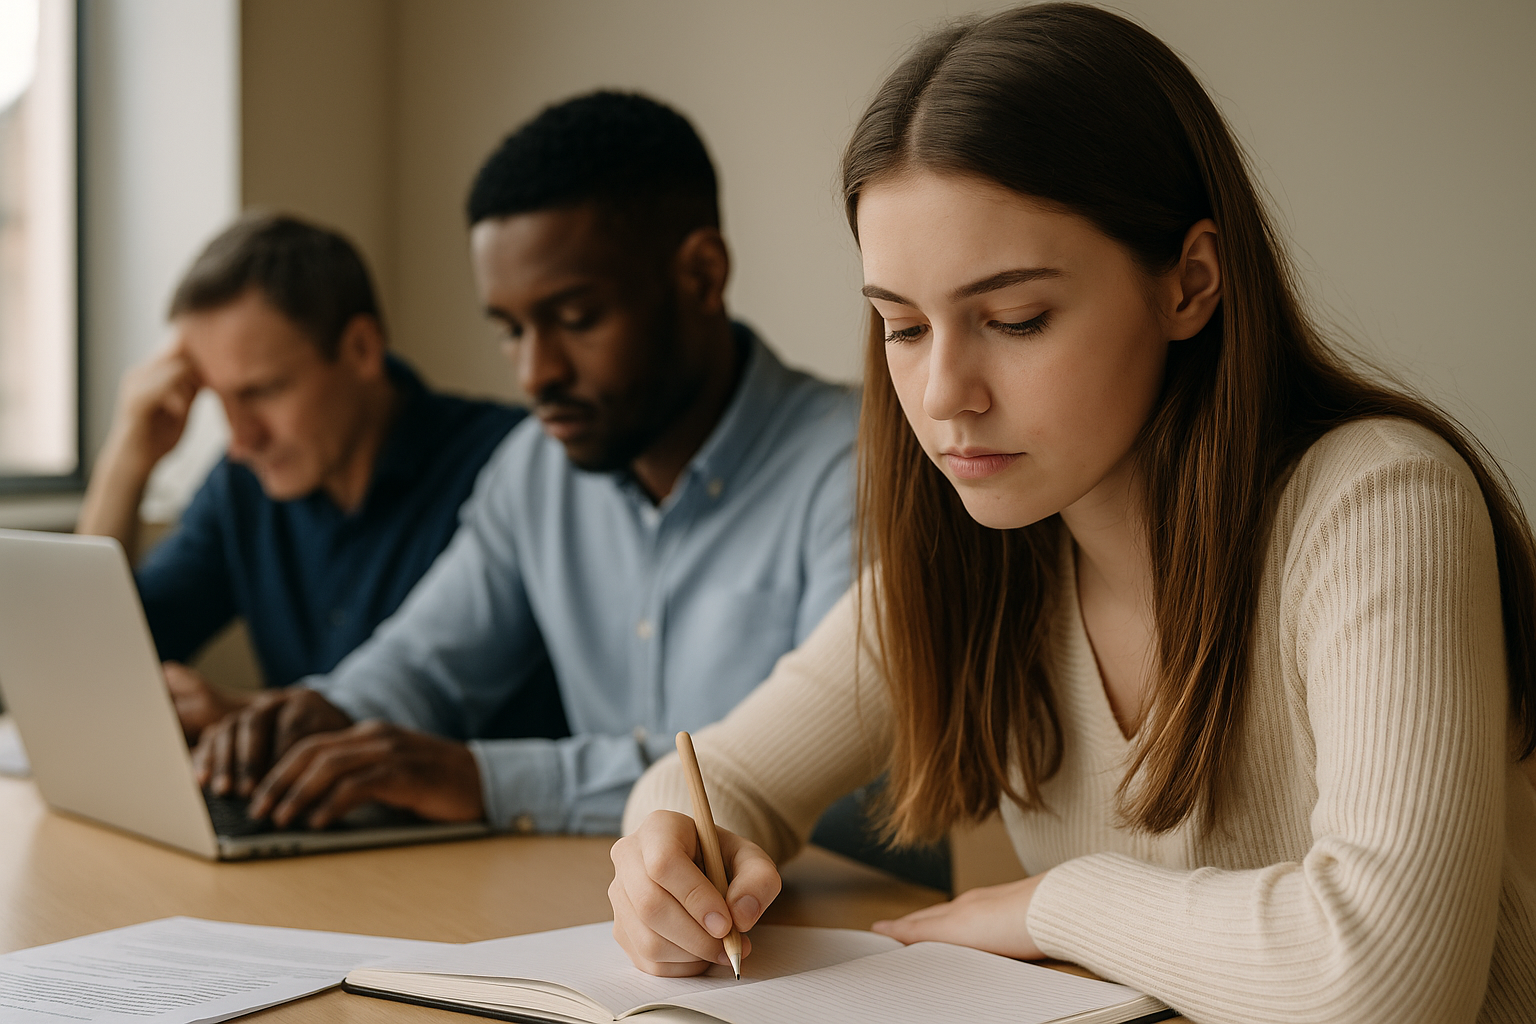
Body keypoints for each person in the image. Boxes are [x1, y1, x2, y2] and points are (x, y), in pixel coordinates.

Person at [610, 5, 1536, 1022]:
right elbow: (715, 775)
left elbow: (1389, 983)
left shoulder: (1378, 502)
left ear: (1189, 283)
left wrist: (1054, 903)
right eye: (903, 327)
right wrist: (672, 859)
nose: (944, 392)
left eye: (1015, 319)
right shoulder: (978, 561)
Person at [189, 92, 891, 856]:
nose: (536, 373)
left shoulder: (861, 468)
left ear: (700, 275)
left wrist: (487, 780)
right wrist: (320, 714)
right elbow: (424, 664)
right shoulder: (535, 468)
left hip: (832, 928)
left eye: (577, 319)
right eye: (512, 330)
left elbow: (829, 790)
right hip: (619, 921)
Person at [77, 214, 564, 745]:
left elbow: (475, 712)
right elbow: (97, 653)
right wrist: (127, 459)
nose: (241, 439)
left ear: (360, 348)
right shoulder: (245, 484)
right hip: (312, 817)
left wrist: (252, 719)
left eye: (262, 391)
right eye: (222, 398)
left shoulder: (513, 467)